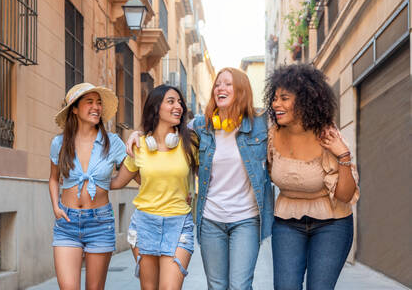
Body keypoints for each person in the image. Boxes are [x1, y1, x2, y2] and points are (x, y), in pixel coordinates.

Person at [127, 67, 274, 290]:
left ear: (242, 90)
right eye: (217, 84)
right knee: (216, 286)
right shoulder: (200, 127)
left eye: (227, 84)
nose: (220, 88)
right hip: (211, 219)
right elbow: (163, 126)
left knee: (240, 286)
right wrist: (138, 134)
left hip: (246, 218)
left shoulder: (260, 124)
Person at [264, 64, 360, 290]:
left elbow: (345, 196)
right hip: (287, 223)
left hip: (332, 224)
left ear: (305, 101)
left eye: (284, 98)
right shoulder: (271, 135)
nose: (276, 104)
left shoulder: (327, 135)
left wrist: (343, 155)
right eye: (275, 98)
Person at [110, 85, 198, 290]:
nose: (179, 106)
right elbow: (117, 182)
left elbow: (209, 175)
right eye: (171, 101)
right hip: (145, 223)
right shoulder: (139, 144)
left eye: (180, 102)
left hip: (179, 223)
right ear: (155, 107)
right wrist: (83, 176)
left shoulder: (190, 142)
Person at [48, 83, 126, 290]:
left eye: (99, 103)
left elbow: (133, 172)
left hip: (100, 223)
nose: (96, 107)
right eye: (89, 102)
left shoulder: (113, 142)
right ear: (74, 108)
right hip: (67, 223)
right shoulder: (59, 143)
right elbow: (54, 178)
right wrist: (56, 207)